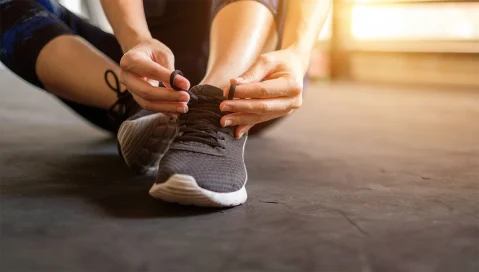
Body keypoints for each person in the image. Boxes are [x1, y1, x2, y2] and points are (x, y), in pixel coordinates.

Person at [0, 0, 330, 207]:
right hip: (146, 75)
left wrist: (298, 53)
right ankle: (139, 106)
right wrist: (137, 42)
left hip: (257, 78)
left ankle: (214, 104)